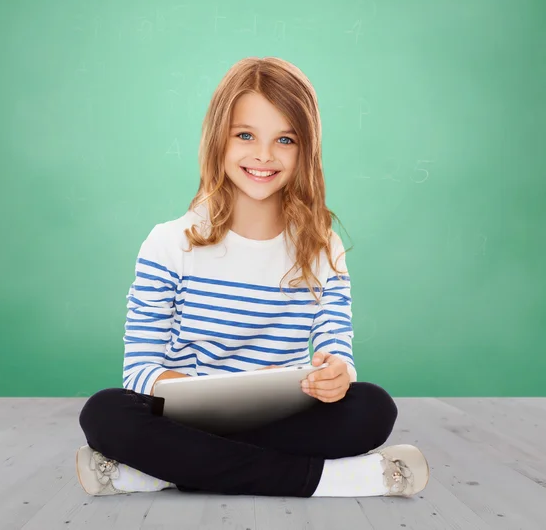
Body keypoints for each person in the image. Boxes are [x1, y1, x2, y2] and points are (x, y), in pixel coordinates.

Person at [76, 56, 429, 498]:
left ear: (306, 149)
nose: (264, 155)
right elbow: (140, 370)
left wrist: (337, 372)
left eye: (285, 139)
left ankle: (158, 471)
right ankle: (328, 481)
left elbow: (336, 348)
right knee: (104, 412)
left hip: (279, 417)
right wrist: (193, 393)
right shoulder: (168, 244)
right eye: (245, 135)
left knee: (373, 407)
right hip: (183, 418)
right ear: (217, 141)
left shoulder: (323, 248)